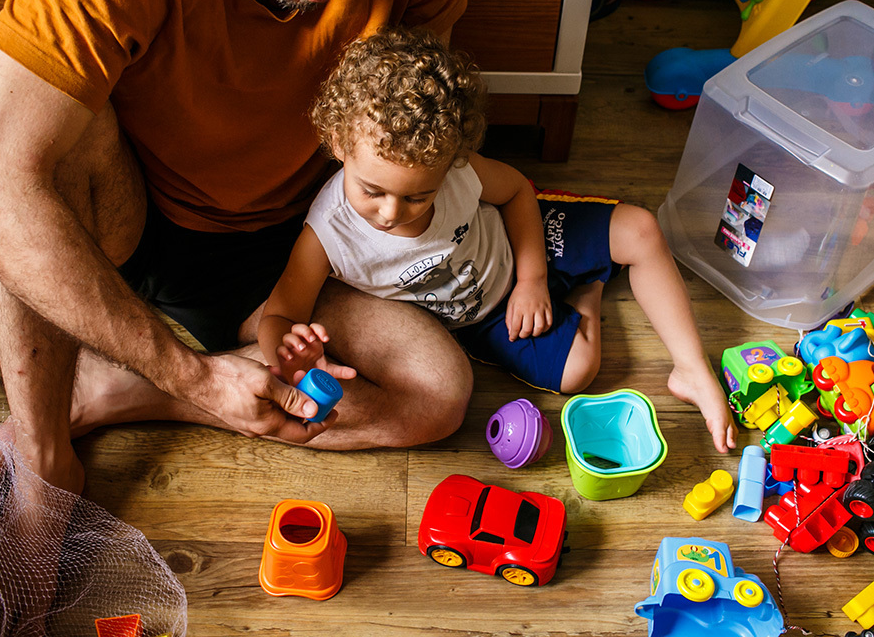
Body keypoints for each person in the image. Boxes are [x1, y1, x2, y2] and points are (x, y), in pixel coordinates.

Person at [0, 0, 476, 495]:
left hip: (300, 235)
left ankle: (116, 390)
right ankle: (45, 451)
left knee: (439, 395)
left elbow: (413, 123)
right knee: (27, 143)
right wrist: (195, 377)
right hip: (137, 219)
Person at [258, 29, 738, 453]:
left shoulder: (458, 171)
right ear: (340, 145)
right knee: (579, 372)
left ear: (450, 163)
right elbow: (280, 313)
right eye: (372, 191)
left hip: (525, 240)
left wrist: (532, 277)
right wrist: (289, 354)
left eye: (418, 197)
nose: (390, 212)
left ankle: (691, 367)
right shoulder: (327, 235)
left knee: (641, 229)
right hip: (480, 318)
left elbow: (515, 194)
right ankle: (588, 288)